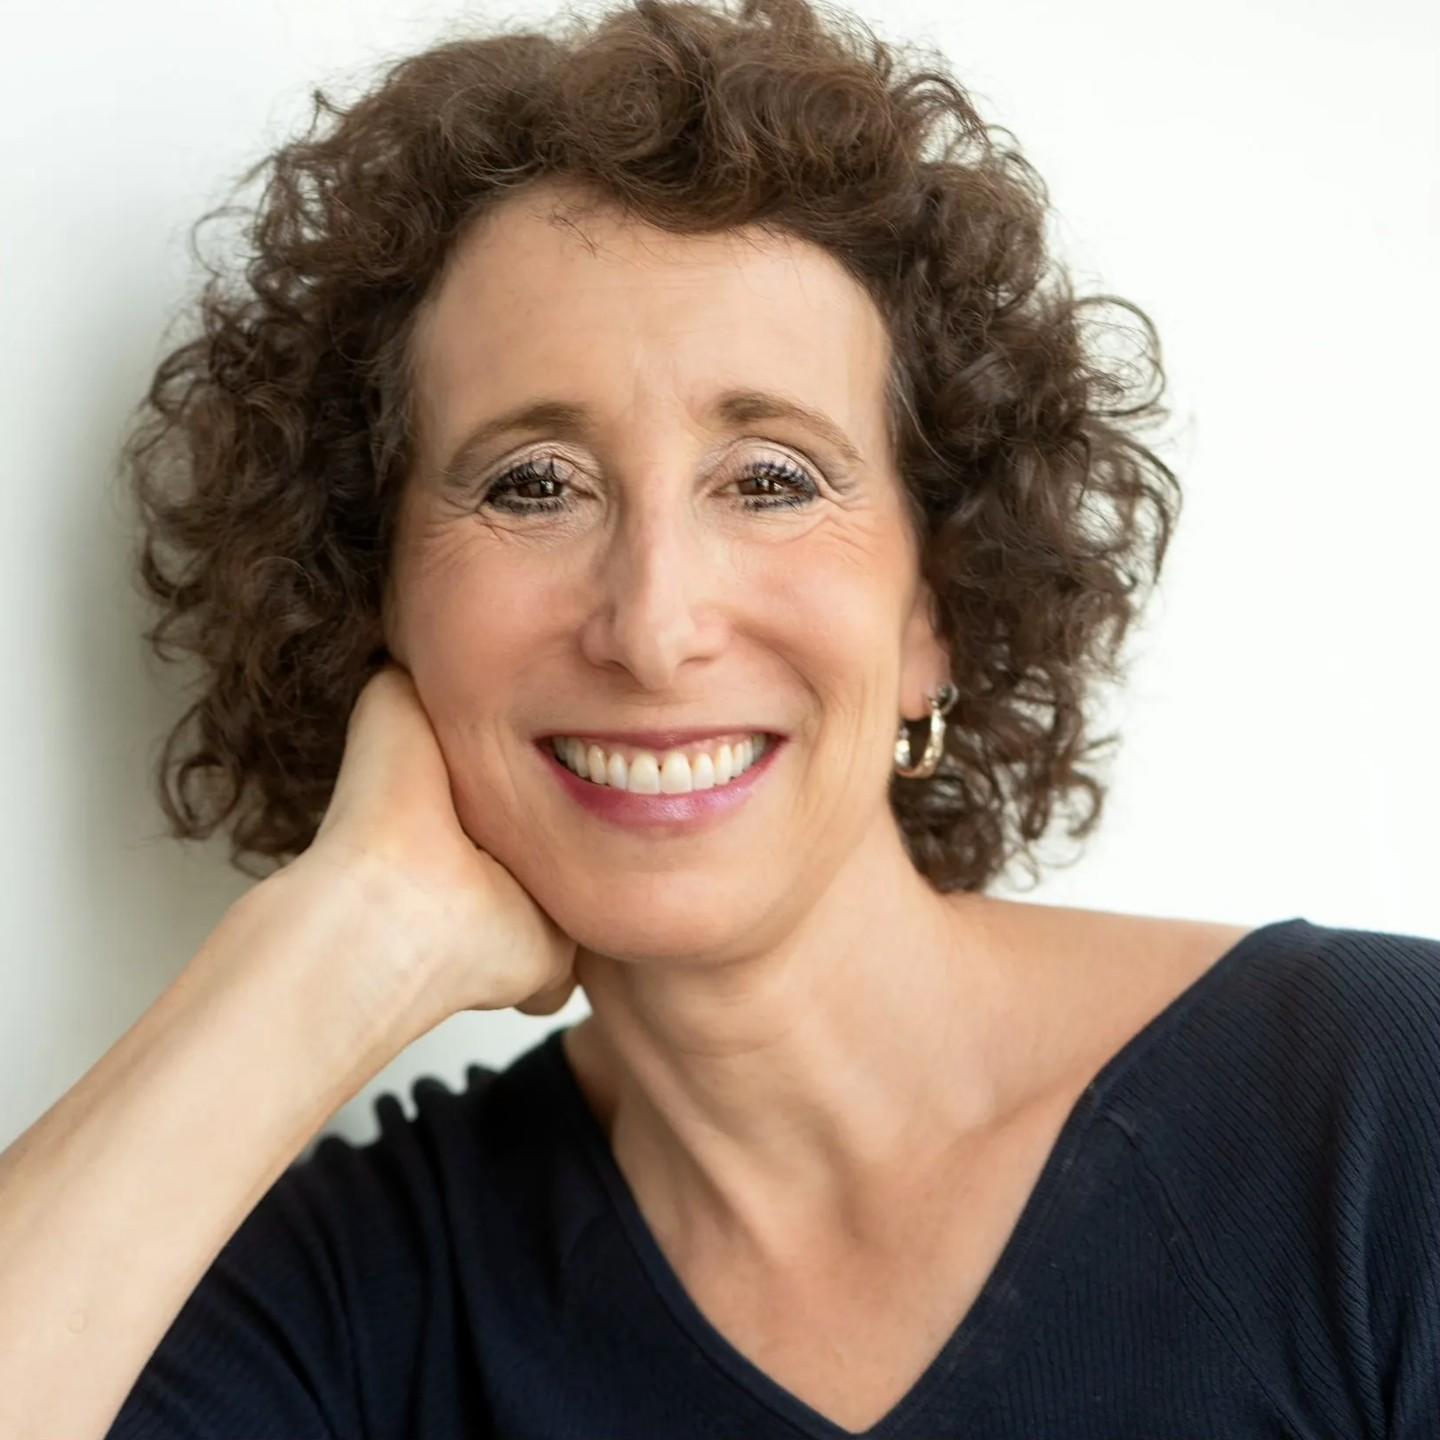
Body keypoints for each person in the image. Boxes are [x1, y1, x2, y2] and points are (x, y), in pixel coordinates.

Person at [2, 0, 1436, 1435]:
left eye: (769, 481)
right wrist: (337, 943)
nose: (654, 624)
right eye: (533, 485)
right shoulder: (353, 1302)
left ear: (937, 604)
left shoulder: (1379, 1111)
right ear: (369, 601)